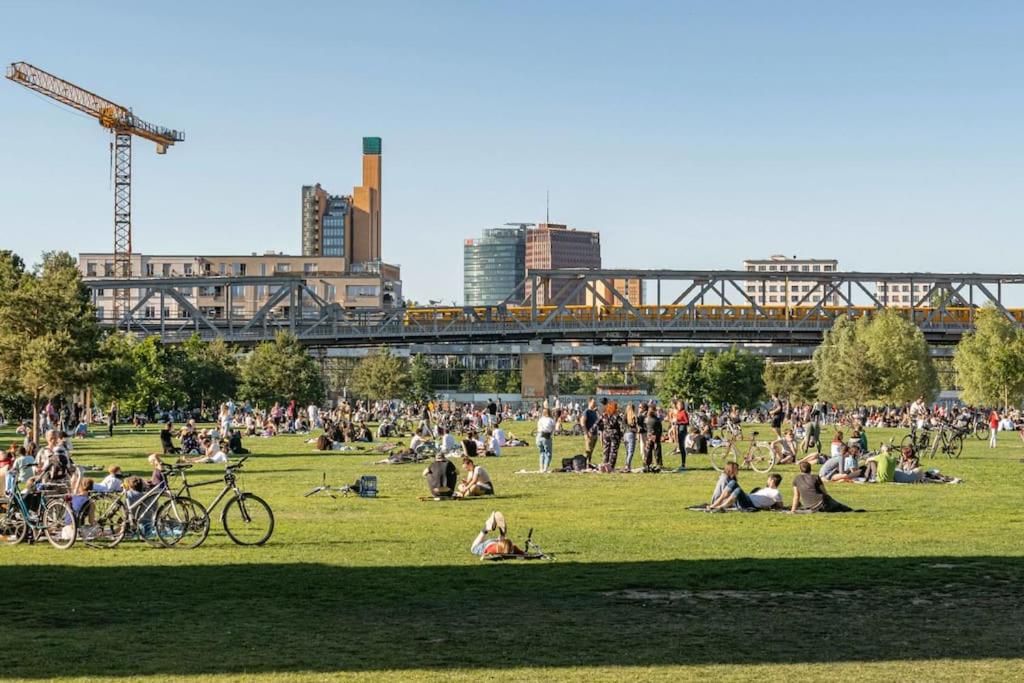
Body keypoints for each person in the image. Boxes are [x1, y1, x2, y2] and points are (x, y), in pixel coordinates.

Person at [596, 400, 623, 471]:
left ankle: (604, 465)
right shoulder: (616, 415)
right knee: (613, 451)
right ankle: (610, 466)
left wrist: (603, 429)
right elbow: (621, 425)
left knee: (606, 450)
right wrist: (622, 434)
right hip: (615, 434)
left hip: (606, 433)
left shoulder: (604, 414)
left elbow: (598, 423)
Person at [642, 405, 663, 472]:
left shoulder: (646, 419)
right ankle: (658, 464)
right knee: (657, 451)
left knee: (648, 451)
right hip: (655, 435)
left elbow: (644, 427)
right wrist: (658, 435)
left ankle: (647, 464)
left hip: (649, 435)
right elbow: (660, 428)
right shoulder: (656, 419)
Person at [535, 408, 555, 472]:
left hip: (538, 436)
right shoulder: (551, 420)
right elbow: (553, 429)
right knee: (548, 453)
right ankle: (545, 468)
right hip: (546, 436)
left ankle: (541, 468)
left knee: (541, 452)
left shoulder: (540, 420)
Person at [581, 398, 600, 464]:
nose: (595, 404)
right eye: (593, 402)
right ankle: (584, 463)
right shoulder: (586, 411)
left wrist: (597, 411)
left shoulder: (594, 412)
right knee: (588, 450)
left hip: (595, 433)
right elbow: (582, 422)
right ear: (589, 402)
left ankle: (589, 462)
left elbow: (599, 420)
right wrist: (586, 433)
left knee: (591, 450)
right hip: (589, 434)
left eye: (595, 402)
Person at [622, 404, 639, 472]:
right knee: (630, 452)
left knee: (627, 451)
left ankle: (628, 465)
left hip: (625, 434)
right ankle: (627, 465)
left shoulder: (625, 416)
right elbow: (637, 425)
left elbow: (623, 425)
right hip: (631, 434)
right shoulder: (634, 416)